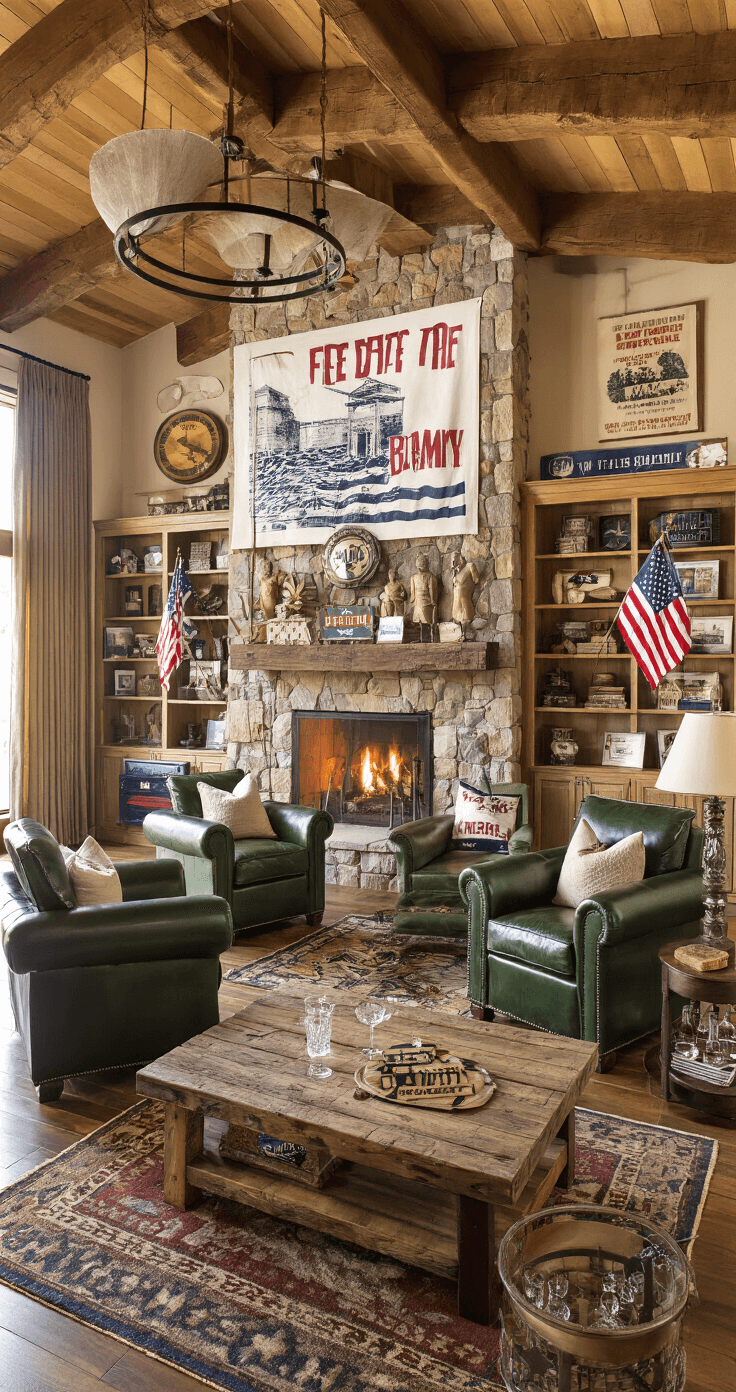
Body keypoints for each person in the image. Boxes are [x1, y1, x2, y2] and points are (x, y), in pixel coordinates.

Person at [450, 551, 480, 636]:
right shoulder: (455, 571)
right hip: (456, 604)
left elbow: (476, 580)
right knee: (457, 625)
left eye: (455, 558)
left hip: (465, 603)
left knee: (466, 621)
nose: (453, 561)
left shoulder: (470, 566)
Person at [409, 556, 438, 635]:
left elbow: (432, 590)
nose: (421, 563)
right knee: (417, 622)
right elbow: (413, 592)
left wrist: (433, 601)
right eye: (419, 561)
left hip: (426, 603)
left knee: (427, 622)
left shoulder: (430, 577)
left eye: (423, 561)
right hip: (417, 603)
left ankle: (428, 636)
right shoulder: (413, 577)